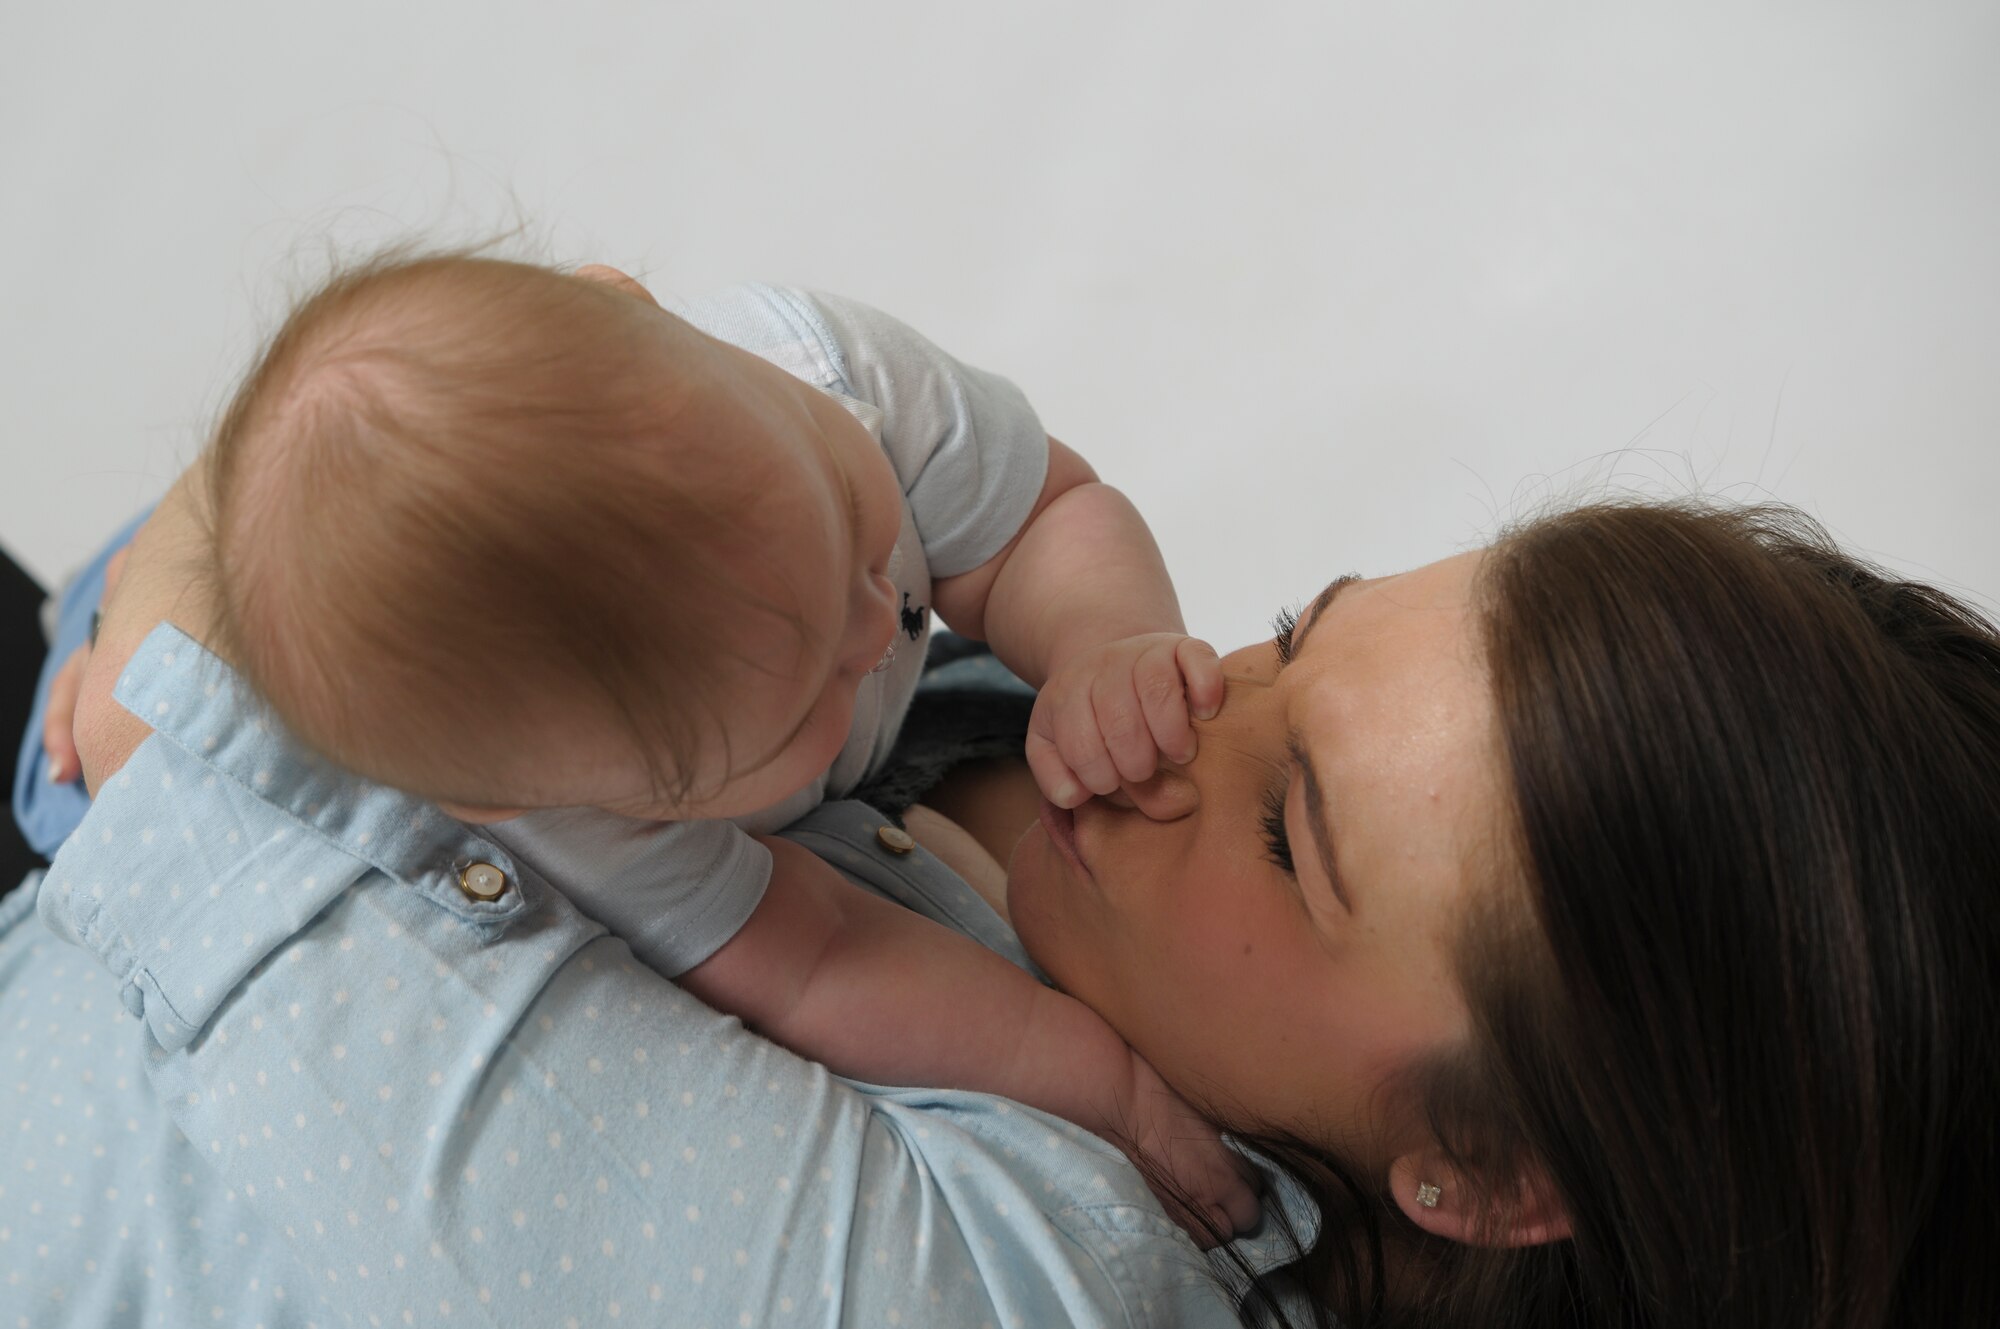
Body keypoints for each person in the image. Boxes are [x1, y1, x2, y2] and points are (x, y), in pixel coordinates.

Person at [11, 487, 1998, 1327]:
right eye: (1295, 633)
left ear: (1476, 1164)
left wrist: (234, 567)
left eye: (1287, 834)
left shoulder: (996, 1269)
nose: (1180, 709)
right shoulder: (1002, 742)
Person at [183, 250, 1254, 1239]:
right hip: (773, 864)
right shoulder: (581, 821)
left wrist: (1100, 646)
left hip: (932, 700)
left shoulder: (822, 367)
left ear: (631, 297)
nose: (874, 624)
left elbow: (1042, 516)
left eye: (848, 515)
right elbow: (821, 958)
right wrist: (1091, 1078)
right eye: (796, 707)